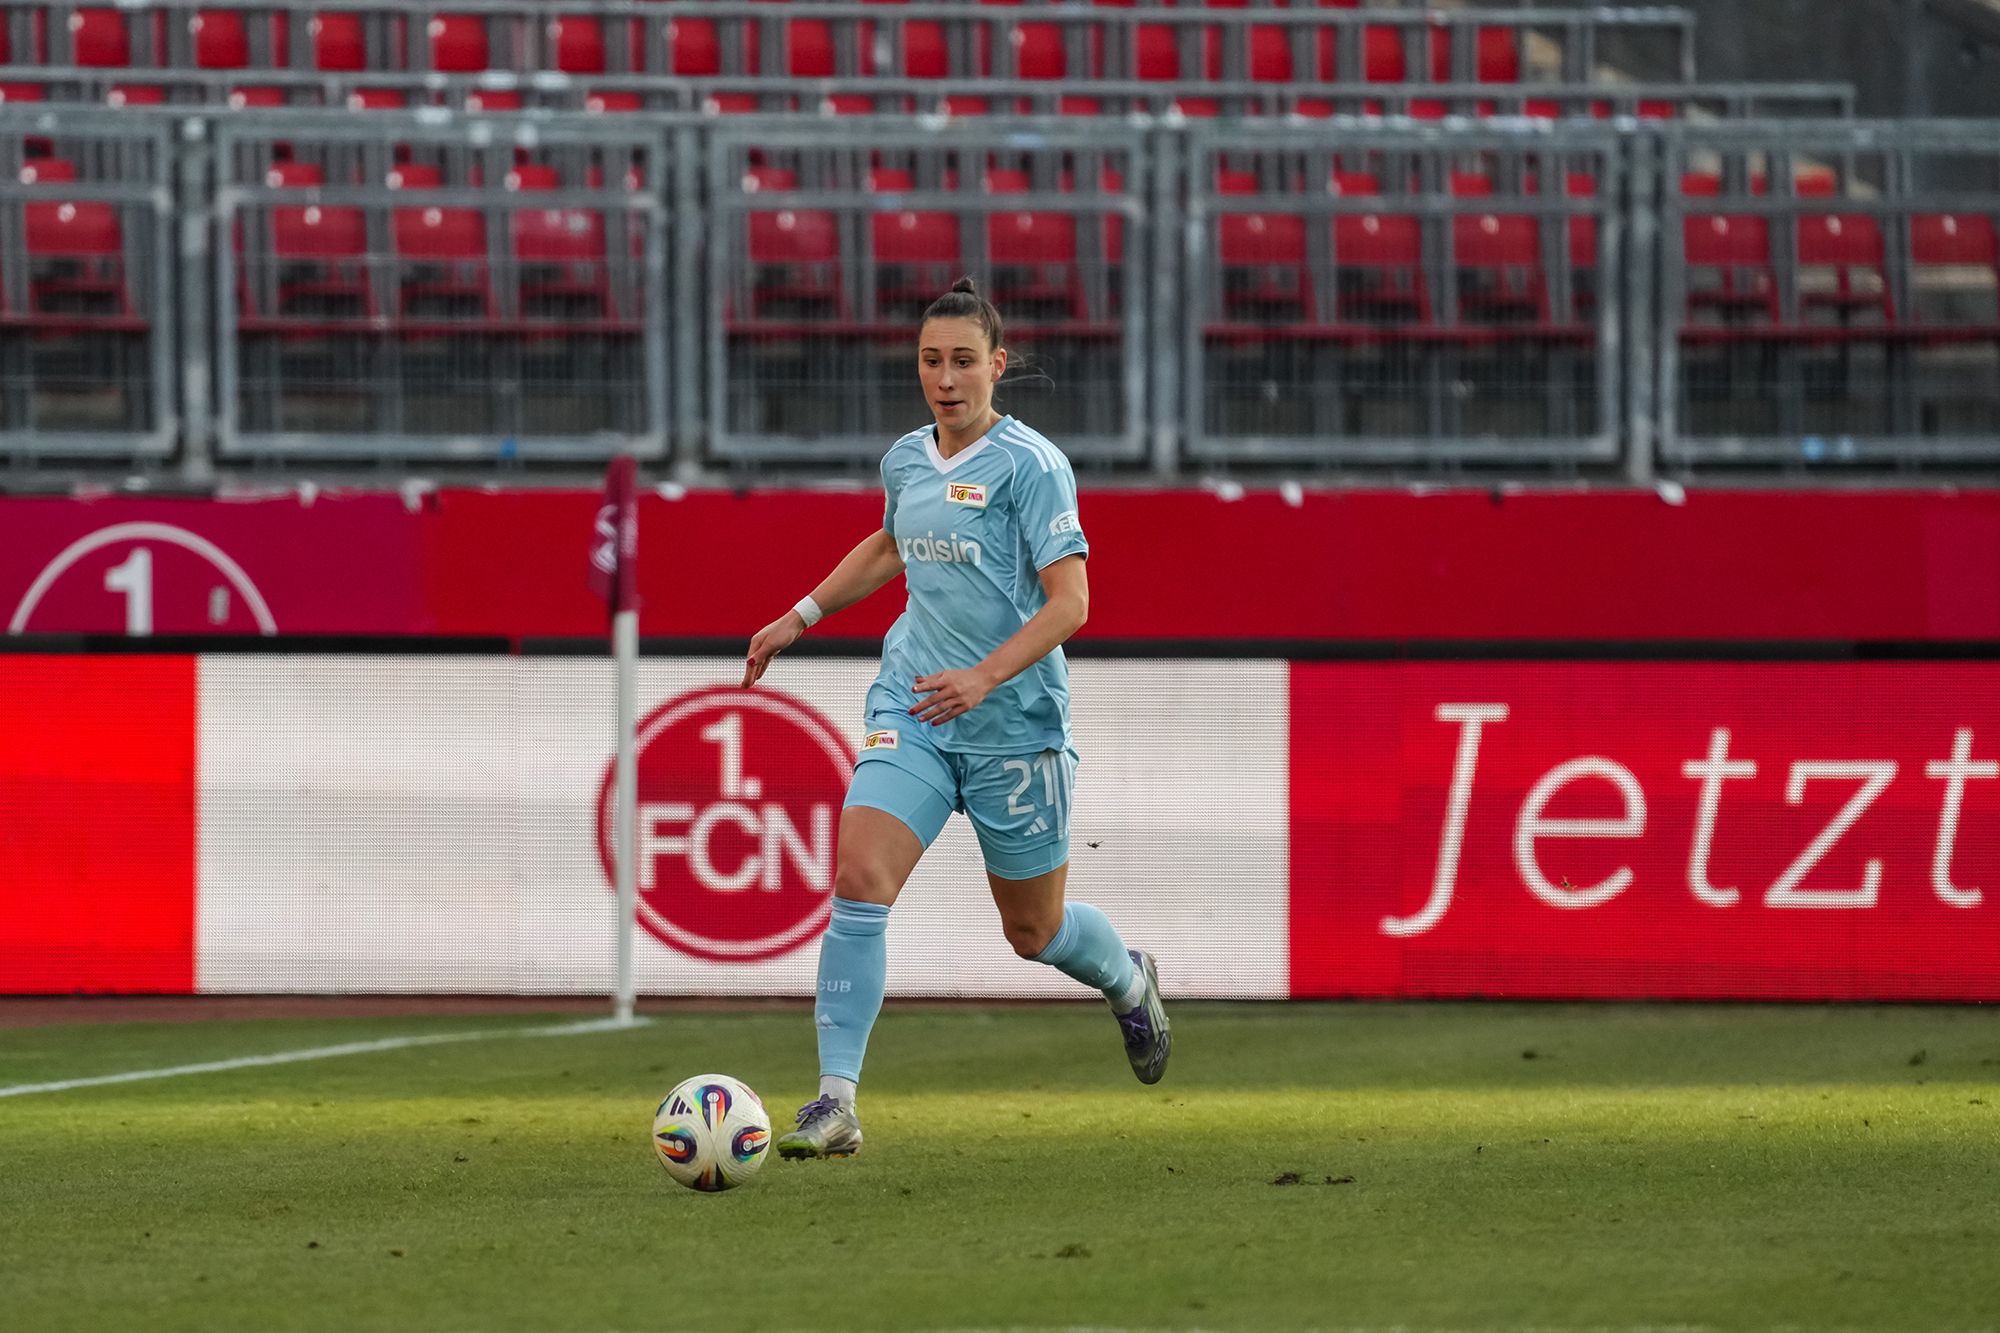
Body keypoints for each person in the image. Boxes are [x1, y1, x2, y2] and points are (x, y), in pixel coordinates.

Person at [739, 277, 1171, 1160]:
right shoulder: (906, 458)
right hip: (916, 705)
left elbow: (1072, 602)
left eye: (964, 361)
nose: (946, 378)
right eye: (932, 361)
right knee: (860, 876)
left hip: (1014, 725)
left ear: (997, 367)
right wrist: (800, 615)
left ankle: (1129, 981)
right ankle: (834, 1102)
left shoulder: (1032, 465)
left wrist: (984, 677)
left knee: (1034, 932)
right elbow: (892, 541)